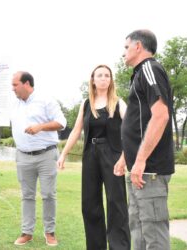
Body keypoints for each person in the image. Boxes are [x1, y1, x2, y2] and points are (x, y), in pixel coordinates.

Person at [57, 65, 131, 250]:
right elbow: (76, 130)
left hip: (112, 155)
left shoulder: (118, 102)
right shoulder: (86, 103)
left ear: (111, 80)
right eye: (100, 75)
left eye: (107, 75)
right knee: (90, 204)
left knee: (116, 203)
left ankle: (119, 246)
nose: (104, 78)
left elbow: (131, 130)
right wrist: (64, 154)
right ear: (93, 79)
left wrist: (124, 157)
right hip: (90, 154)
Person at [114, 29, 175, 250]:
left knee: (153, 235)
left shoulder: (150, 68)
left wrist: (140, 162)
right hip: (139, 168)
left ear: (138, 46)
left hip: (150, 171)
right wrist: (125, 158)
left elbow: (160, 116)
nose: (123, 52)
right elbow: (138, 123)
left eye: (126, 46)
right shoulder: (139, 74)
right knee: (138, 230)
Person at [10, 71, 67, 247]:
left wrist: (40, 127)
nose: (12, 89)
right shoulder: (13, 103)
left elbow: (61, 122)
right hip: (23, 155)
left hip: (46, 155)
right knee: (27, 196)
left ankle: (49, 232)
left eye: (15, 85)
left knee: (48, 194)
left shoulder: (46, 100)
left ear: (26, 84)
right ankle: (27, 232)